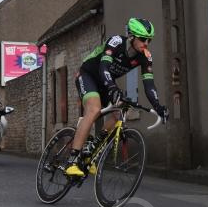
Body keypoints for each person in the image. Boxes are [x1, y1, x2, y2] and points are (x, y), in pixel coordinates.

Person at [64, 18, 168, 177]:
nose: (146, 43)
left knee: (118, 114)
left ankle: (90, 153)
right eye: (142, 39)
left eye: (149, 39)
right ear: (132, 37)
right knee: (94, 110)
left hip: (107, 82)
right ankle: (71, 161)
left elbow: (149, 84)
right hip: (89, 75)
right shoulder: (116, 41)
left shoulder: (145, 56)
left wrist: (158, 106)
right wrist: (112, 88)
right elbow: (104, 67)